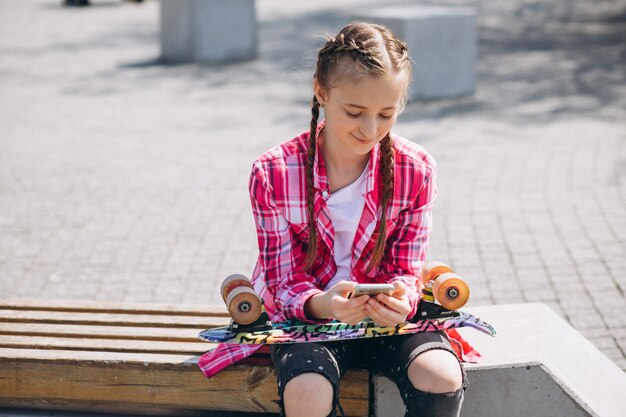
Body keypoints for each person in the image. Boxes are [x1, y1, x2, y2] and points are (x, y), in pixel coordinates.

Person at [199, 22, 478, 417]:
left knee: (441, 375)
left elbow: (406, 267)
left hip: (387, 324)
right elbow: (281, 280)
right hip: (306, 323)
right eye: (354, 112)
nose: (370, 129)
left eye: (386, 113)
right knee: (307, 393)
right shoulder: (273, 172)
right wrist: (322, 304)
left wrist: (402, 298)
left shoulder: (417, 169)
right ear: (320, 91)